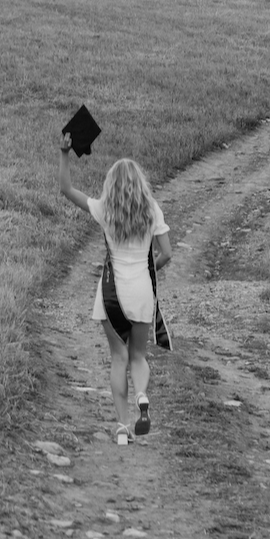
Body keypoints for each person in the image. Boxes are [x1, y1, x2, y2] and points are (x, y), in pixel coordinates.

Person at [59, 139, 173, 445]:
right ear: (140, 184)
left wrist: (65, 154)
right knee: (137, 355)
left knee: (117, 358)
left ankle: (123, 427)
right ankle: (141, 394)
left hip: (111, 292)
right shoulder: (152, 210)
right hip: (142, 291)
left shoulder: (104, 209)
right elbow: (166, 254)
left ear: (112, 184)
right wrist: (151, 272)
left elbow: (68, 191)